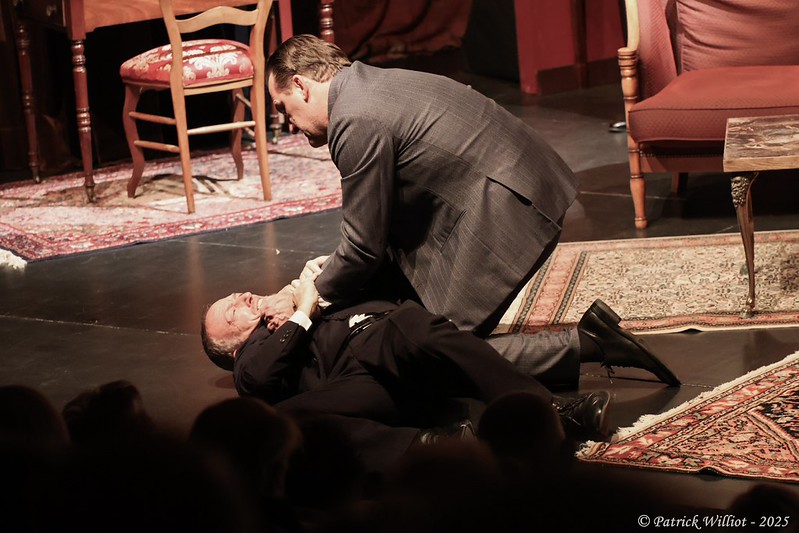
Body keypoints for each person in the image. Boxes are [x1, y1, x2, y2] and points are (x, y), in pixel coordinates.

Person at [266, 34, 579, 337]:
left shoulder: (353, 119)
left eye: (282, 107)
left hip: (513, 204)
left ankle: (590, 343)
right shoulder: (365, 85)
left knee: (439, 348)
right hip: (526, 180)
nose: (288, 120)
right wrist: (331, 271)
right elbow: (374, 230)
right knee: (405, 318)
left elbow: (362, 247)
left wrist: (303, 301)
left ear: (301, 86)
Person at [201, 279, 614, 472]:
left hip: (378, 338)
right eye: (232, 310)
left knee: (412, 324)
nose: (243, 296)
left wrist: (302, 296)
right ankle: (435, 448)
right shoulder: (248, 361)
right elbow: (260, 379)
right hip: (353, 386)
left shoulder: (285, 304)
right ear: (232, 348)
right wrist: (303, 312)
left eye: (235, 294)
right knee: (287, 420)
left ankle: (553, 411)